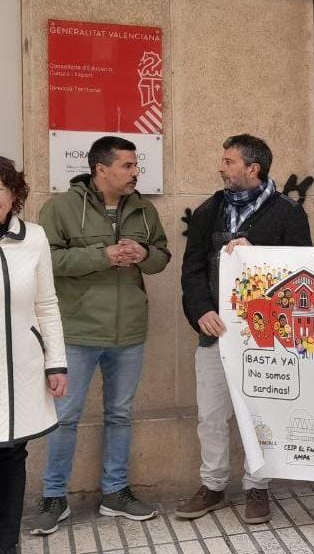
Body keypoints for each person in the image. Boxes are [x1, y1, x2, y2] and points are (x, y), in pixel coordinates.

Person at [34, 136, 170, 534]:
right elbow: (47, 262)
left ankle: (115, 493)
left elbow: (162, 256)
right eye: (127, 166)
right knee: (65, 418)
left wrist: (144, 256)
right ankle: (54, 498)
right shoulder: (59, 208)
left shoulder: (144, 210)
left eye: (135, 165)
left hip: (128, 332)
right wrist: (101, 255)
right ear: (101, 169)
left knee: (120, 415)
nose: (135, 173)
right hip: (76, 332)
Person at [177, 134, 312, 524]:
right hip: (214, 334)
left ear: (252, 168)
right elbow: (192, 271)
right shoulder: (207, 211)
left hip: (265, 338)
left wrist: (261, 258)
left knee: (262, 413)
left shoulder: (288, 213)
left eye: (229, 161)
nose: (221, 167)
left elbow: (302, 271)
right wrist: (201, 310)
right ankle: (213, 484)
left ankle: (258, 487)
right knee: (211, 415)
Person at [0, 157, 67, 554]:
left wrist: (55, 363)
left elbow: (47, 305)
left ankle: (8, 542)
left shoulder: (34, 238)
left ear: (14, 195)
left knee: (11, 455)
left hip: (19, 367)